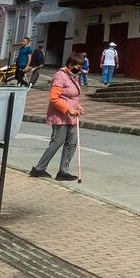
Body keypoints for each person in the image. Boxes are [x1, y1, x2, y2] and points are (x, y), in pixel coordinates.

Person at [29, 54, 85, 182]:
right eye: (78, 67)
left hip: (72, 116)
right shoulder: (60, 76)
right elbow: (54, 98)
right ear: (70, 65)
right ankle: (39, 168)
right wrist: (68, 109)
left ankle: (63, 171)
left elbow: (73, 96)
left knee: (72, 143)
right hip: (60, 115)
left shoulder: (73, 77)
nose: (80, 70)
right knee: (57, 142)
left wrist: (78, 106)